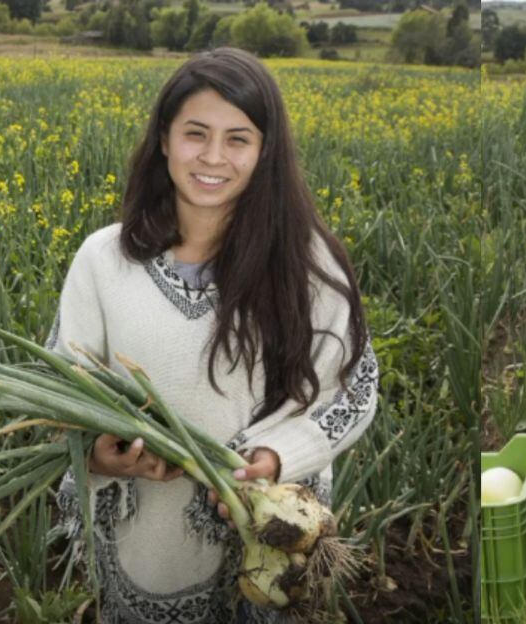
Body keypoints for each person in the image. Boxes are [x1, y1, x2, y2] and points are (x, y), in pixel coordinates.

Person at [49, 47, 379, 623]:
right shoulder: (103, 259)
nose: (212, 157)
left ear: (265, 151)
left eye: (238, 139)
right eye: (195, 133)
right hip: (142, 542)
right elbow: (60, 391)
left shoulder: (307, 264)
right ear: (163, 140)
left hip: (271, 539)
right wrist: (98, 454)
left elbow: (353, 389)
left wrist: (278, 456)